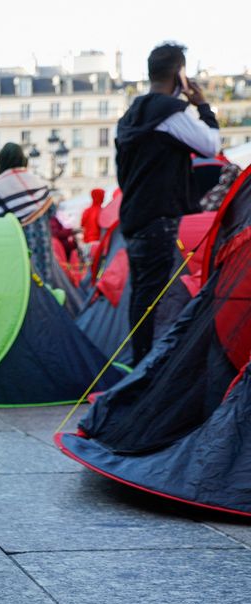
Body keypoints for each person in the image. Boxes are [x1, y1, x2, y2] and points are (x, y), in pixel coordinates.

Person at [116, 42, 220, 363]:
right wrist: (203, 107)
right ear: (180, 74)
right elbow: (210, 146)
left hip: (133, 215)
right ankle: (144, 365)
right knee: (155, 296)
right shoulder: (170, 113)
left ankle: (138, 357)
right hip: (159, 217)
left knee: (142, 294)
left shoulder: (130, 115)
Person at [0, 143, 55, 281]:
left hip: (15, 244)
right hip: (42, 241)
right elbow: (51, 211)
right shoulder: (37, 181)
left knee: (20, 280)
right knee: (43, 281)